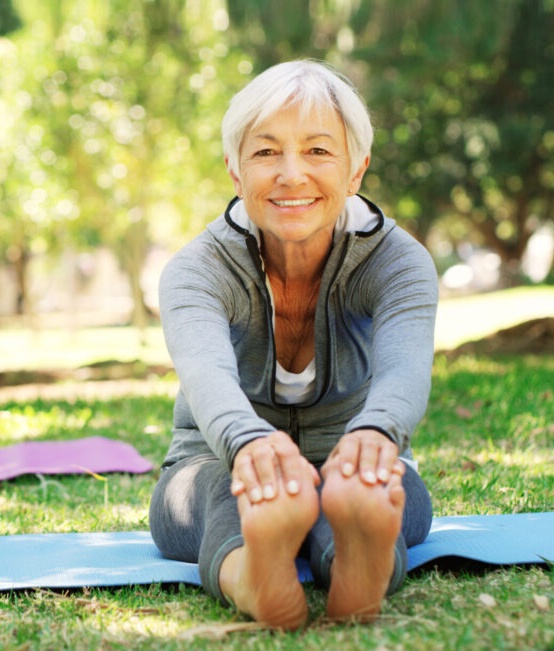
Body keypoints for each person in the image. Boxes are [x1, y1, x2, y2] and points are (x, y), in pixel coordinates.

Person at [149, 60, 437, 628]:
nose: (291, 174)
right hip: (219, 460)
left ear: (356, 169)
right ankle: (255, 572)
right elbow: (206, 375)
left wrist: (376, 435)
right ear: (235, 170)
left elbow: (406, 368)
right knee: (223, 498)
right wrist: (250, 445)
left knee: (389, 495)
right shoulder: (196, 272)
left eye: (318, 151)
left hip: (351, 453)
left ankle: (359, 558)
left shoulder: (399, 261)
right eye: (265, 153)